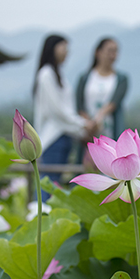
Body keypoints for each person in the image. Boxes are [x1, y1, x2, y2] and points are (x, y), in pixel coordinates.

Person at [33, 34, 95, 200]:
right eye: (64, 48)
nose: (67, 52)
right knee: (49, 183)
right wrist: (82, 124)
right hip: (53, 137)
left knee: (54, 182)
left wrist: (80, 127)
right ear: (53, 49)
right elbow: (57, 111)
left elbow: (65, 110)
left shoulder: (57, 73)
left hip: (63, 136)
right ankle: (41, 217)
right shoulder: (46, 74)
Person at [76, 38, 129, 140]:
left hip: (111, 132)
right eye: (110, 51)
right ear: (98, 52)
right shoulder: (85, 78)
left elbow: (114, 103)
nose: (113, 55)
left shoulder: (122, 79)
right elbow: (80, 105)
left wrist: (97, 119)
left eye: (116, 51)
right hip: (88, 133)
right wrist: (89, 124)